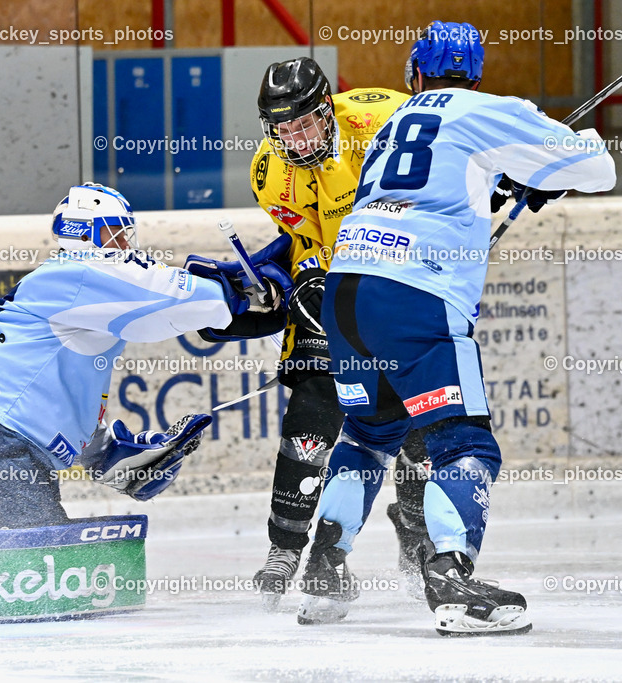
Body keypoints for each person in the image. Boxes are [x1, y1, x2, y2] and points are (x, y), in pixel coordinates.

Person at [307, 21, 615, 634]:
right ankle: (450, 576)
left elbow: (439, 183)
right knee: (463, 442)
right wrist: (556, 158)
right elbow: (597, 168)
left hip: (348, 289)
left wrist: (516, 177)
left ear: (415, 72)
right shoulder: (494, 109)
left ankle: (325, 569)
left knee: (369, 433)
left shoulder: (395, 123)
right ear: (473, 72)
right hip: (415, 296)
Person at [0, 182, 292, 530]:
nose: (126, 244)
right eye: (116, 232)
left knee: (25, 557)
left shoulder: (69, 286)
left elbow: (49, 392)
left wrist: (118, 455)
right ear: (85, 234)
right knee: (37, 565)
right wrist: (242, 290)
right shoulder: (83, 274)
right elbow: (172, 297)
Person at [202, 56, 432, 610]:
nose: (297, 139)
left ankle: (417, 530)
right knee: (310, 414)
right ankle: (285, 549)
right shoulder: (267, 171)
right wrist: (270, 277)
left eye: (306, 124)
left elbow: (451, 145)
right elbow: (297, 238)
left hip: (399, 282)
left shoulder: (383, 119)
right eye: (283, 129)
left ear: (328, 108)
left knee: (419, 410)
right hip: (327, 292)